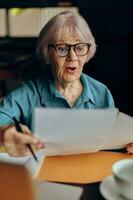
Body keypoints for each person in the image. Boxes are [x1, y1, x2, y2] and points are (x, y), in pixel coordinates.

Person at [0, 11, 131, 157]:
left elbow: (112, 145)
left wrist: (127, 145)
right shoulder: (28, 94)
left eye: (80, 48)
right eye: (62, 48)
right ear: (47, 53)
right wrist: (3, 132)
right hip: (43, 175)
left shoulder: (102, 93)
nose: (73, 57)